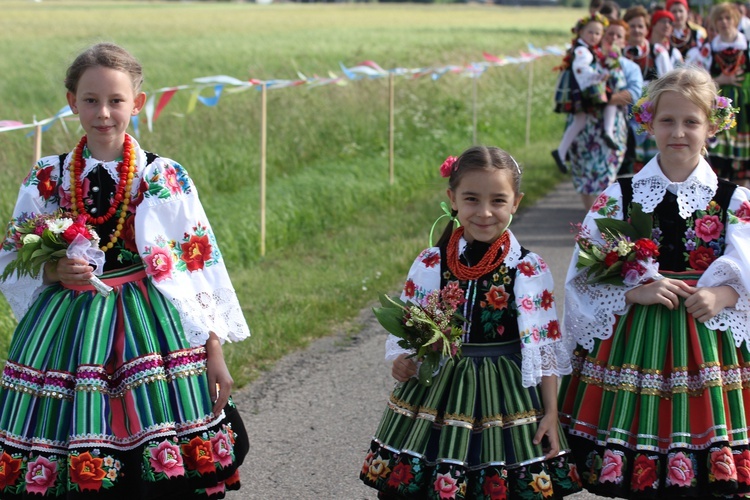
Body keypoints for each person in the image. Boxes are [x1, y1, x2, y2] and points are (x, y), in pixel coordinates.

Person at [0, 43, 250, 499]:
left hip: (152, 326)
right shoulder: (46, 176)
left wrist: (214, 347)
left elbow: (197, 266)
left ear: (136, 102)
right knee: (70, 432)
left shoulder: (163, 175)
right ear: (72, 101)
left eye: (116, 101)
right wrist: (56, 271)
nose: (104, 113)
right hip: (68, 328)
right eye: (91, 100)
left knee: (158, 440)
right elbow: (14, 254)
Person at [559, 66, 750, 498]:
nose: (678, 131)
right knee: (637, 456)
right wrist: (632, 290)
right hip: (635, 337)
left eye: (690, 121)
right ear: (648, 124)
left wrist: (723, 292)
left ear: (711, 127)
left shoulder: (733, 199)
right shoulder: (620, 195)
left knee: (708, 465)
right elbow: (583, 273)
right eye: (667, 120)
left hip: (708, 340)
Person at [360, 146, 580, 499]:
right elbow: (414, 328)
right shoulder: (433, 262)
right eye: (472, 199)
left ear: (516, 202)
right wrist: (405, 360)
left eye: (498, 200)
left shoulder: (526, 267)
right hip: (440, 388)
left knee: (503, 482)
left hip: (507, 392)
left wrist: (551, 412)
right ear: (453, 198)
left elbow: (544, 347)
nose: (485, 212)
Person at [567, 20, 643, 207]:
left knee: (605, 176)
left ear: (625, 42)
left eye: (619, 36)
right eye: (610, 34)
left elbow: (634, 94)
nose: (613, 39)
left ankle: (602, 221)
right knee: (584, 176)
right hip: (585, 125)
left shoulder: (629, 67)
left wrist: (602, 99)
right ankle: (589, 219)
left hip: (611, 127)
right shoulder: (588, 59)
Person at [553, 13, 620, 174]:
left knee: (580, 120)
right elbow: (581, 69)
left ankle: (561, 153)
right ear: (581, 32)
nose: (594, 36)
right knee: (610, 101)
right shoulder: (583, 51)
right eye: (590, 32)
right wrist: (598, 76)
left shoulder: (586, 49)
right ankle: (608, 132)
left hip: (580, 87)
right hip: (582, 89)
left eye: (598, 33)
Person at [704, 2, 750, 186]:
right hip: (719, 103)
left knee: (743, 155)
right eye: (720, 19)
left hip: (744, 104)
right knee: (719, 153)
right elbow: (700, 77)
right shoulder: (708, 49)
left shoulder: (746, 45)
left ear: (736, 20)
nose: (724, 22)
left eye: (728, 18)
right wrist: (722, 80)